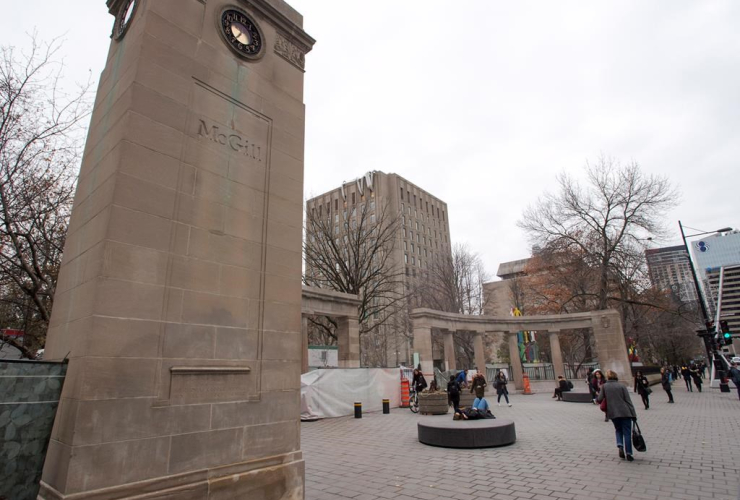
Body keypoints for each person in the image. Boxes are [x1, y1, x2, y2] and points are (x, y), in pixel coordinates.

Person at [596, 370, 638, 462]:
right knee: (627, 433)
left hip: (613, 413)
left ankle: (620, 445)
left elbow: (599, 399)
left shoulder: (604, 386)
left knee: (618, 430)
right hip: (625, 412)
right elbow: (628, 401)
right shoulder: (621, 386)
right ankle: (629, 453)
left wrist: (598, 397)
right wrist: (633, 414)